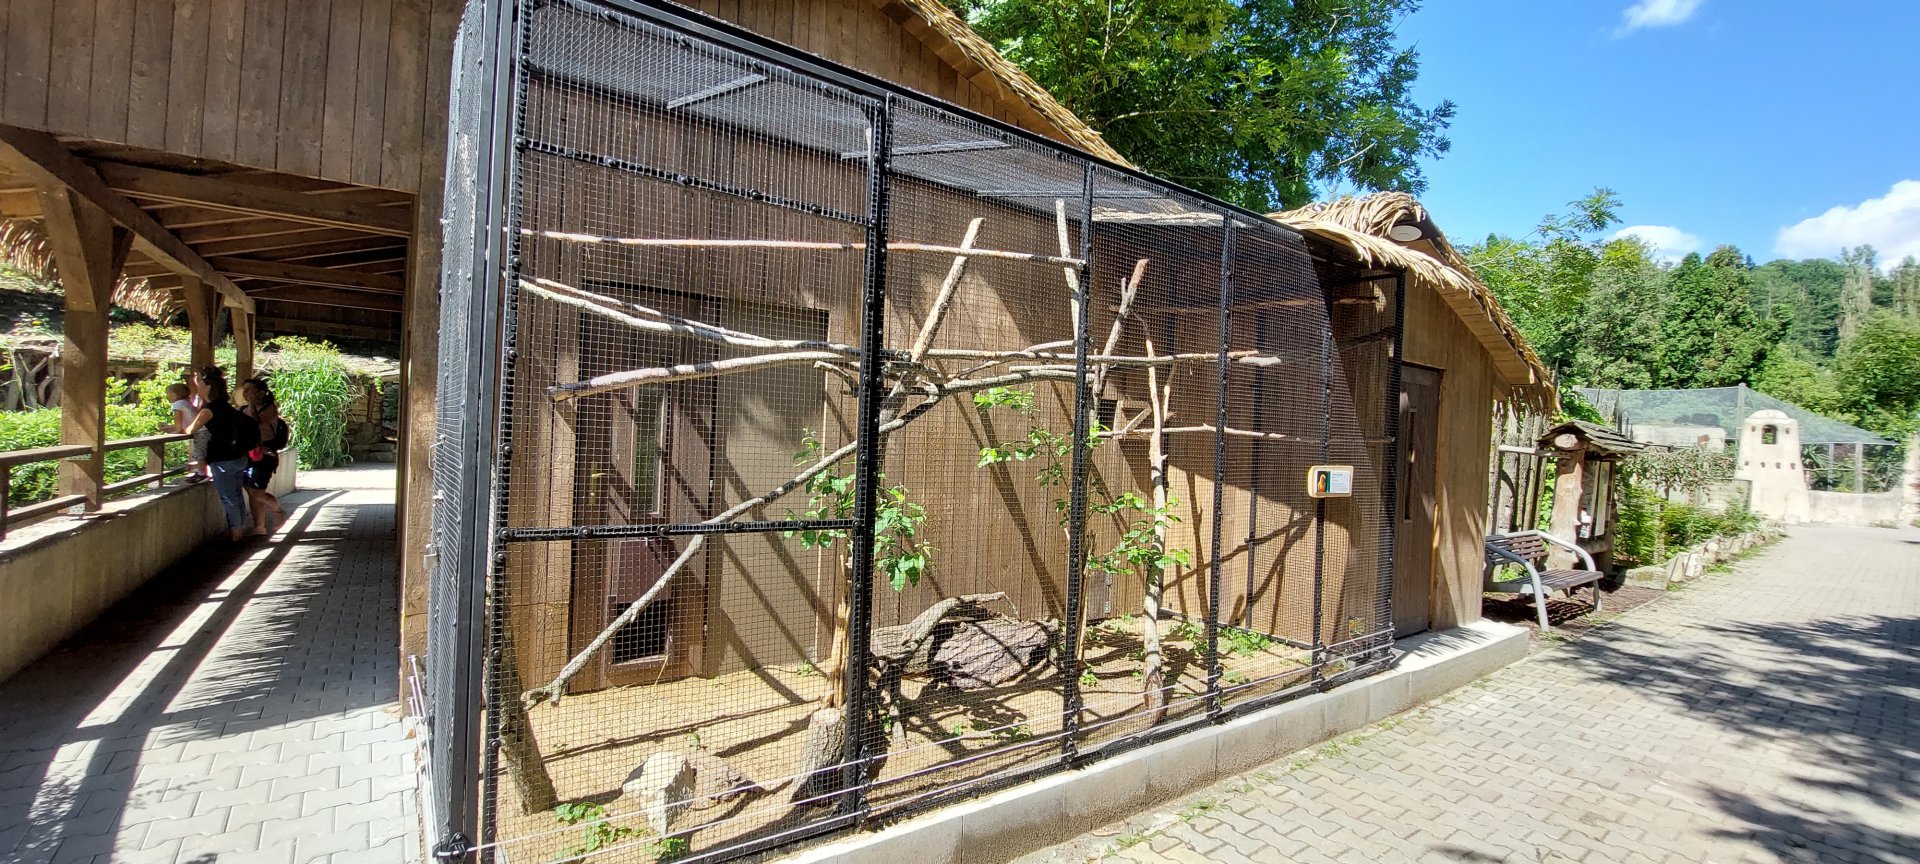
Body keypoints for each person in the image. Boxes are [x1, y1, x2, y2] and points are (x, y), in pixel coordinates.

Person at [184, 366, 258, 541]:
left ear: (209, 386)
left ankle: (236, 534)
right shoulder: (225, 406)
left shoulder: (209, 409)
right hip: (238, 456)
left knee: (228, 497)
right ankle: (239, 530)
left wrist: (181, 426)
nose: (197, 386)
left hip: (223, 459)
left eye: (200, 382)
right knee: (236, 495)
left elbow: (190, 430)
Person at [239, 378, 289, 536]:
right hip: (248, 455)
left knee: (257, 492)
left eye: (249, 390)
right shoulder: (242, 409)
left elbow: (255, 424)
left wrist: (253, 406)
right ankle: (259, 526)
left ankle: (278, 510)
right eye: (244, 390)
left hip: (265, 455)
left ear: (260, 392)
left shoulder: (269, 408)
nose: (246, 393)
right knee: (251, 490)